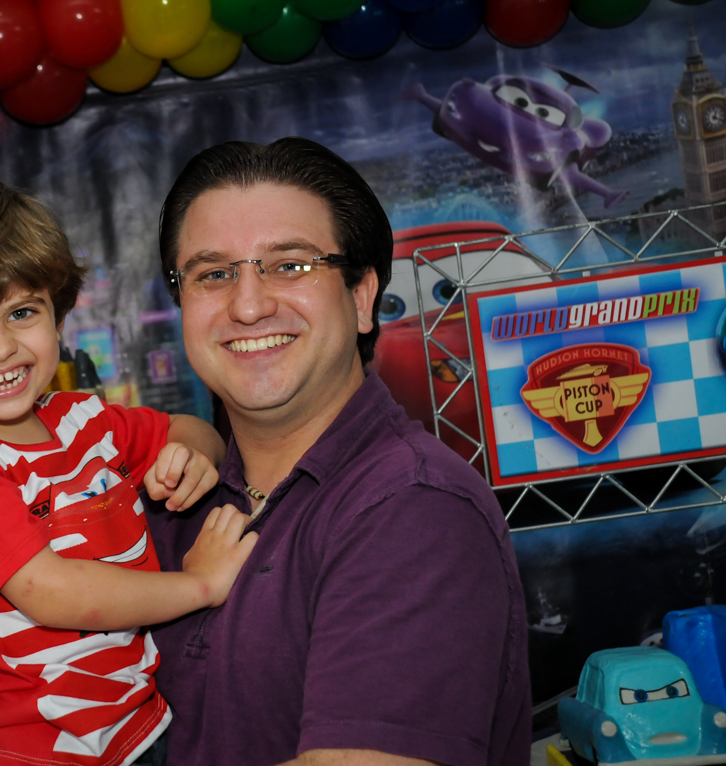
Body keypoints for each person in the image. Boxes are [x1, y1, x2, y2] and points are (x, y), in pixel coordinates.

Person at [146, 138, 531, 766]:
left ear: (360, 296)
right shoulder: (171, 493)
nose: (248, 305)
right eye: (213, 274)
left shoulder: (413, 508)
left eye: (291, 265)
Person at [0, 180, 258, 766]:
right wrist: (200, 586)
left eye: (21, 313)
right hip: (39, 750)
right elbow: (51, 593)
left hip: (138, 720)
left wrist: (193, 455)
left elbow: (186, 426)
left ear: (58, 317)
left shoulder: (80, 419)